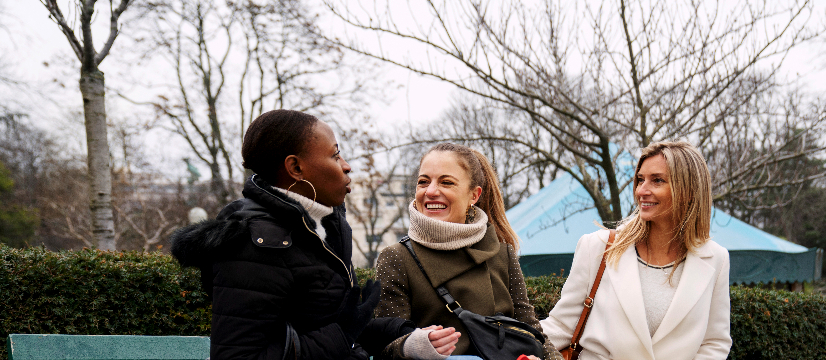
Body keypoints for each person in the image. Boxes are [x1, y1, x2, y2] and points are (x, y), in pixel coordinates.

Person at [169, 109, 445, 360]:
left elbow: (323, 329)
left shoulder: (320, 229)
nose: (346, 165)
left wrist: (406, 336)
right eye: (335, 155)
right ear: (296, 168)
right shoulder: (257, 243)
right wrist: (343, 332)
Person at [540, 141, 732, 360]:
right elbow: (561, 326)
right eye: (640, 180)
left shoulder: (716, 259)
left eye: (657, 180)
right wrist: (513, 346)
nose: (642, 190)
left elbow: (714, 342)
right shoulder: (598, 247)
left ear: (688, 190)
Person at [373, 143, 561, 360]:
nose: (431, 191)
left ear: (474, 195)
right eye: (423, 182)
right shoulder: (396, 258)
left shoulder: (502, 254)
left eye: (446, 182)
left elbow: (532, 331)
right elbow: (384, 347)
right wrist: (412, 345)